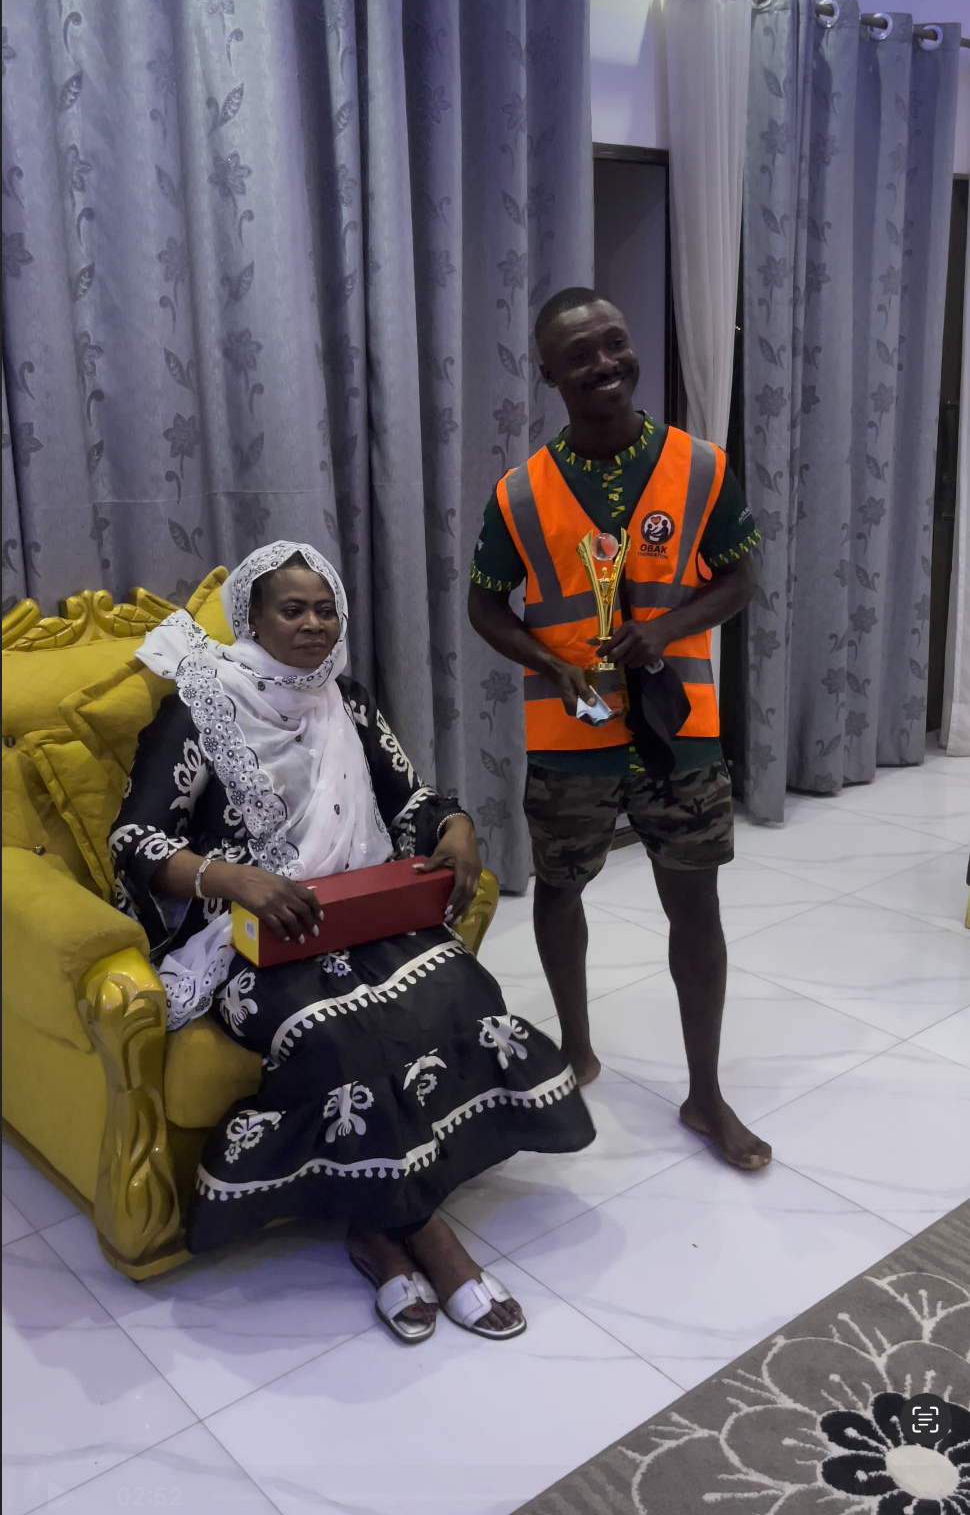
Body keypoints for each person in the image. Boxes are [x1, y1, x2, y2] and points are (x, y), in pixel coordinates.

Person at [110, 541, 594, 1342]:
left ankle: (378, 1231)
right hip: (249, 939)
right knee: (338, 1032)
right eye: (290, 610)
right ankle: (425, 1236)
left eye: (324, 609)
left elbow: (407, 796)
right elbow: (136, 838)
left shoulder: (349, 702)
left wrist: (456, 824)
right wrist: (231, 878)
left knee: (458, 990)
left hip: (360, 912)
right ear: (253, 621)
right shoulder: (198, 707)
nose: (311, 626)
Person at [467, 288, 771, 1172]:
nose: (605, 364)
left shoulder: (701, 467)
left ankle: (705, 1094)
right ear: (550, 374)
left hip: (680, 727)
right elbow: (487, 604)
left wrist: (669, 631)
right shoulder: (520, 493)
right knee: (561, 890)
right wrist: (552, 662)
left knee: (695, 900)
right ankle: (576, 1046)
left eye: (616, 344)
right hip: (571, 727)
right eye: (582, 355)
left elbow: (741, 578)